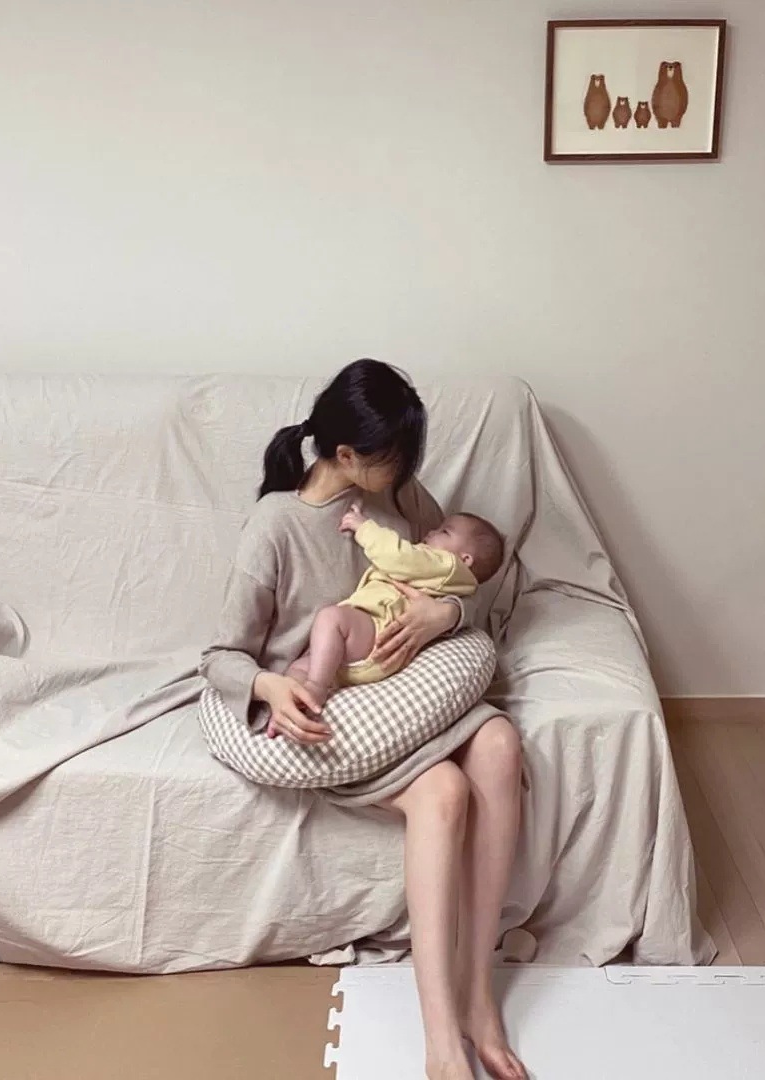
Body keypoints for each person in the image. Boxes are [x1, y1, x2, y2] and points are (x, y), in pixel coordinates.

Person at [201, 359, 527, 1080]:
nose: (409, 471)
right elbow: (220, 655)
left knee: (501, 742)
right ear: (346, 454)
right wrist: (267, 685)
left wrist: (446, 614)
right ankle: (442, 1043)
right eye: (395, 457)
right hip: (340, 707)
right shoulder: (276, 526)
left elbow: (467, 571)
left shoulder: (398, 494)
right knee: (444, 791)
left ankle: (479, 996)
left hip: (406, 688)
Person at [279, 502, 504, 715]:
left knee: (331, 619)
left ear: (465, 560)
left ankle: (316, 688)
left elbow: (398, 556)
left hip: (378, 632)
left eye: (444, 532)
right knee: (299, 668)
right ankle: (293, 709)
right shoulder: (448, 580)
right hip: (371, 655)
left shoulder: (447, 565)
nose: (431, 532)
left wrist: (363, 527)